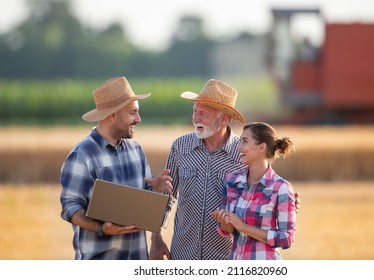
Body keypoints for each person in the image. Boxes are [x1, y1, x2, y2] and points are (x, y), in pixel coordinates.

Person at [150, 79, 300, 260]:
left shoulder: (244, 152)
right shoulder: (180, 147)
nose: (195, 118)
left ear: (223, 119)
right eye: (195, 111)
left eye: (203, 114)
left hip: (226, 257)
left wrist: (287, 202)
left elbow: (266, 190)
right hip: (183, 254)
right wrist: (156, 237)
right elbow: (167, 196)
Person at [60, 76, 173, 260]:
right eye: (133, 113)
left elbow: (141, 204)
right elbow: (70, 208)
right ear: (113, 115)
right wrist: (101, 228)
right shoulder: (82, 156)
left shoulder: (136, 150)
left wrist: (156, 191)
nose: (138, 119)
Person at [211, 122, 296, 260]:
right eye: (240, 141)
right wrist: (224, 221)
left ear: (262, 147)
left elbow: (287, 238)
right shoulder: (232, 181)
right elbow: (228, 230)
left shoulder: (281, 188)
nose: (239, 146)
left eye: (244, 141)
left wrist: (245, 228)